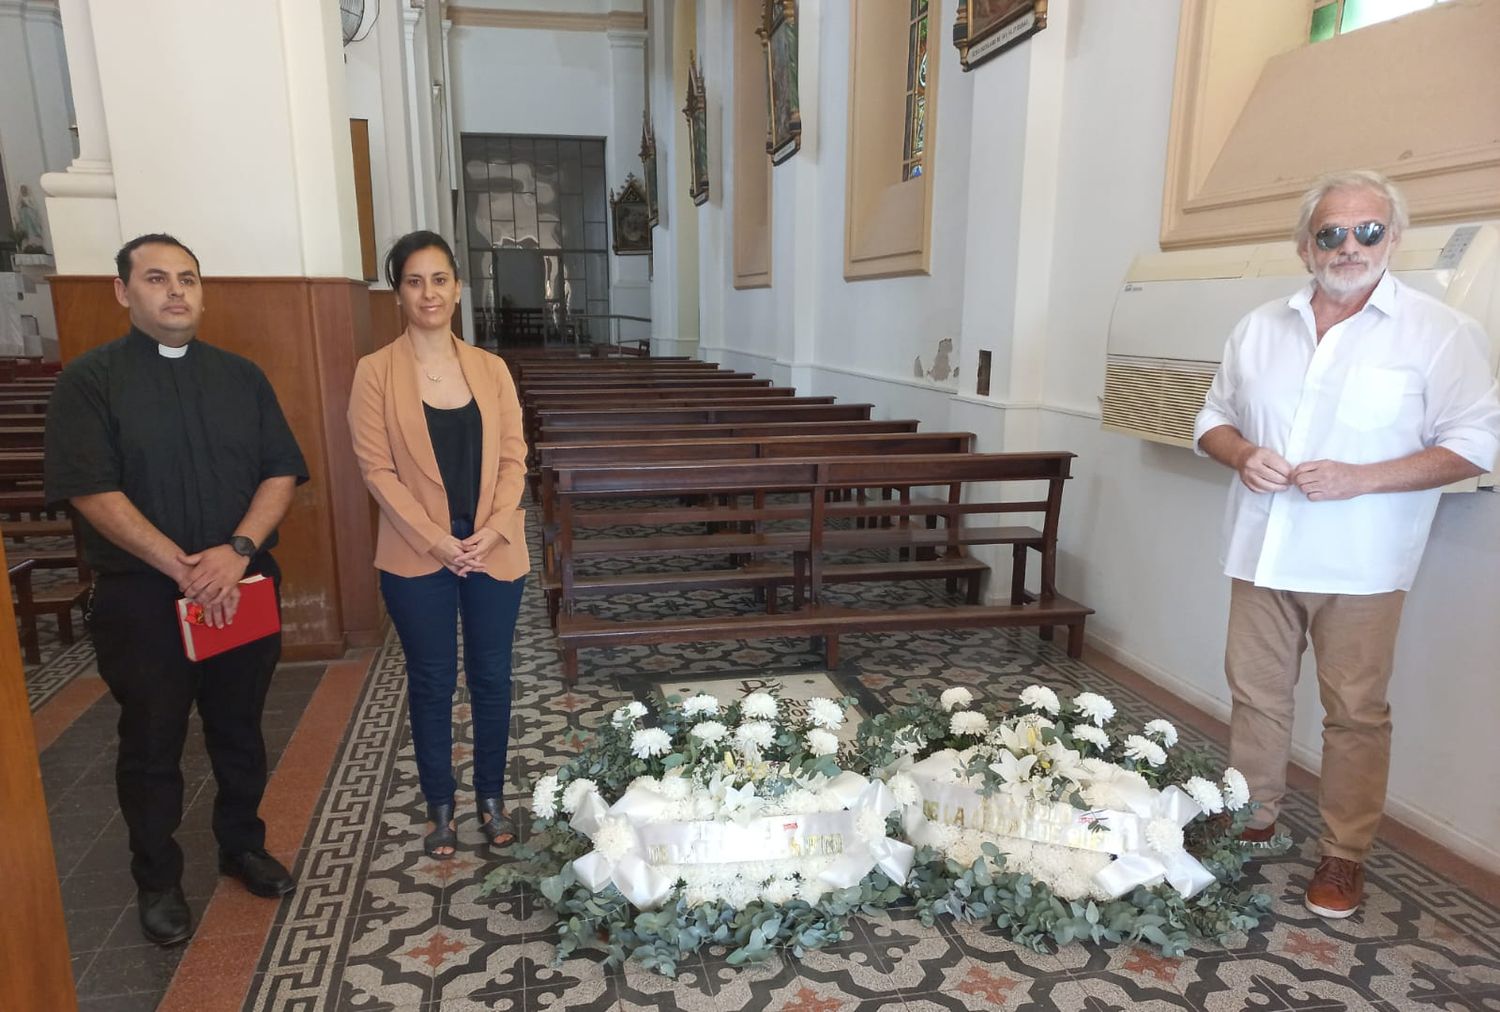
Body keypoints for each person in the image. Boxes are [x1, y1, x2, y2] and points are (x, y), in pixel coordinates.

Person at [1193, 170, 1500, 919]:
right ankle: (1251, 817)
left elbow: (1477, 442)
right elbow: (1212, 417)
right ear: (1306, 245)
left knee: (1356, 711)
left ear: (1393, 239)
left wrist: (1366, 477)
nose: (1349, 245)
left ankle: (1343, 853)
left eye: (1368, 231)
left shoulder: (1440, 332)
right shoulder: (1260, 326)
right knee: (1256, 696)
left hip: (1362, 562)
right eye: (1331, 232)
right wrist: (1240, 454)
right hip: (1262, 548)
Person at [43, 234, 309, 946]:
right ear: (124, 292)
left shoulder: (241, 377)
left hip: (242, 584)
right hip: (143, 600)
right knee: (151, 742)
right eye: (156, 278)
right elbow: (92, 491)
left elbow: (280, 471)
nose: (175, 291)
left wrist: (237, 552)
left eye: (187, 278)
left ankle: (241, 844)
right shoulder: (90, 382)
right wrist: (186, 568)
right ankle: (157, 879)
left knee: (240, 724)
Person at [347, 230, 529, 859]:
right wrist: (437, 542)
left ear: (457, 286)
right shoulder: (374, 373)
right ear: (398, 291)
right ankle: (441, 806)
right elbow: (377, 472)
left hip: (492, 549)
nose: (429, 292)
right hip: (415, 556)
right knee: (430, 680)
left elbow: (514, 459)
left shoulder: (491, 369)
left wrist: (493, 529)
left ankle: (490, 797)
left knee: (492, 678)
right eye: (415, 280)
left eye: (440, 279)